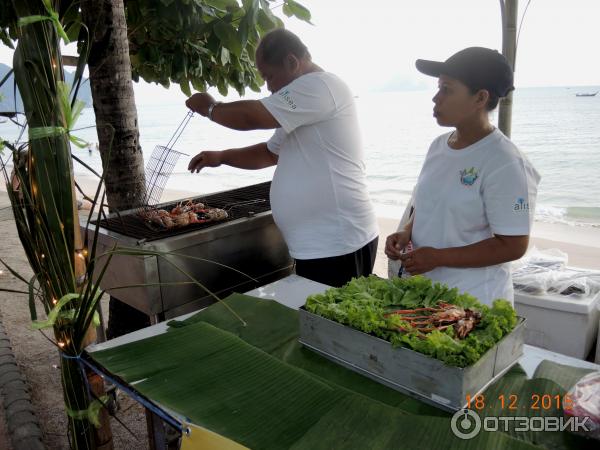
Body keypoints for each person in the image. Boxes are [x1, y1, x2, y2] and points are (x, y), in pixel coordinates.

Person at [185, 29, 378, 287]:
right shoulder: (299, 106)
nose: (268, 86)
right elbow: (269, 153)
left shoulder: (320, 85)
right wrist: (221, 157)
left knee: (332, 324)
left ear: (292, 62)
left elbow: (253, 116)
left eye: (269, 76)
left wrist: (211, 108)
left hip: (339, 243)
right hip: (320, 246)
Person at [385, 47, 540, 306]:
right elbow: (428, 205)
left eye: (447, 89)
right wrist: (407, 232)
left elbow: (512, 246)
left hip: (472, 302)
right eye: (438, 88)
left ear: (480, 98)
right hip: (425, 295)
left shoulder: (505, 162)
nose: (436, 98)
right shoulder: (438, 146)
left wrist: (438, 257)